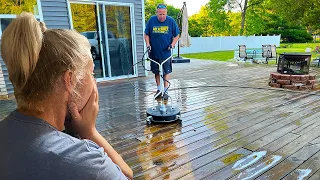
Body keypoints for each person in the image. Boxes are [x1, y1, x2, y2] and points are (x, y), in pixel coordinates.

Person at [0, 12, 133, 180]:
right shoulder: (86, 162)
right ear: (69, 80)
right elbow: (127, 175)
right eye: (91, 73)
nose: (95, 82)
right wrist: (90, 133)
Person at [144, 3, 180, 100]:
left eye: (164, 14)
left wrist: (172, 44)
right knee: (156, 71)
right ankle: (159, 89)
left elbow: (177, 35)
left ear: (166, 13)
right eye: (160, 14)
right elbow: (146, 34)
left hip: (166, 53)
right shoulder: (152, 20)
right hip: (154, 52)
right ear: (157, 13)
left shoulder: (171, 21)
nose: (162, 16)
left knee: (166, 71)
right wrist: (148, 44)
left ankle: (166, 91)